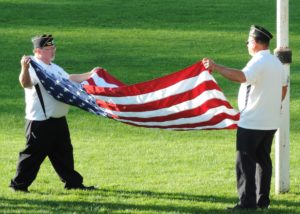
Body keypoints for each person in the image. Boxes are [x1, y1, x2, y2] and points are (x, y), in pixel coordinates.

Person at [202, 25, 288, 210]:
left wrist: (216, 67)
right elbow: (283, 88)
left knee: (245, 161)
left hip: (252, 122)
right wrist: (271, 104)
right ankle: (262, 201)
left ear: (256, 42)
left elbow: (242, 77)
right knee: (263, 160)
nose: (247, 44)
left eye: (248, 41)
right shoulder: (276, 62)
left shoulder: (258, 61)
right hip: (271, 121)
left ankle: (247, 203)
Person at [10, 34, 97, 192]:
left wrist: (91, 74)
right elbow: (25, 83)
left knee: (64, 153)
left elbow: (69, 79)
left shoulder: (54, 67)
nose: (52, 51)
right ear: (38, 51)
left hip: (58, 119)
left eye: (53, 48)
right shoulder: (33, 65)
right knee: (33, 155)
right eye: (48, 49)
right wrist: (24, 67)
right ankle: (18, 186)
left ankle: (73, 184)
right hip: (40, 121)